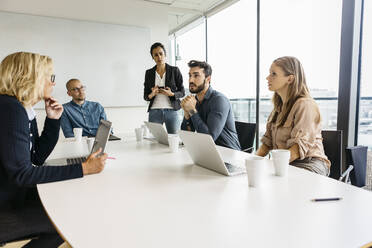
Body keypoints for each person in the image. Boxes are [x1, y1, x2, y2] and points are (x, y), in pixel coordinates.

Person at [0, 52, 107, 247]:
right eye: (50, 77)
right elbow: (23, 174)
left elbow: (37, 158)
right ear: (30, 76)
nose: (53, 83)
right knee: (69, 219)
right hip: (6, 206)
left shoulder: (21, 108)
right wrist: (84, 168)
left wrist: (53, 120)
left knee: (68, 203)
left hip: (12, 195)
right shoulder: (10, 109)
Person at [256, 56, 330, 175]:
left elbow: (296, 149)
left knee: (273, 183)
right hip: (286, 164)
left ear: (290, 79)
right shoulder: (278, 108)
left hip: (309, 164)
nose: (267, 77)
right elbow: (267, 143)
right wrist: (252, 162)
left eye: (273, 74)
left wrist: (272, 167)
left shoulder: (305, 105)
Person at [180, 60, 241, 150]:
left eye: (196, 75)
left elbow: (209, 138)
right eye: (190, 76)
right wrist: (187, 113)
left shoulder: (219, 100)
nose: (190, 80)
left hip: (228, 153)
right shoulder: (194, 101)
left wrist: (192, 110)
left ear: (208, 79)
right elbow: (187, 137)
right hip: (208, 151)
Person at [143, 42, 185, 134]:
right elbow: (146, 96)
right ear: (152, 57)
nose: (159, 57)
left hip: (172, 111)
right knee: (155, 141)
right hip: (154, 111)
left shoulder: (175, 70)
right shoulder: (149, 73)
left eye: (161, 54)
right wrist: (152, 94)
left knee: (174, 139)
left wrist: (172, 94)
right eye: (156, 55)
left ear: (165, 54)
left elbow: (182, 92)